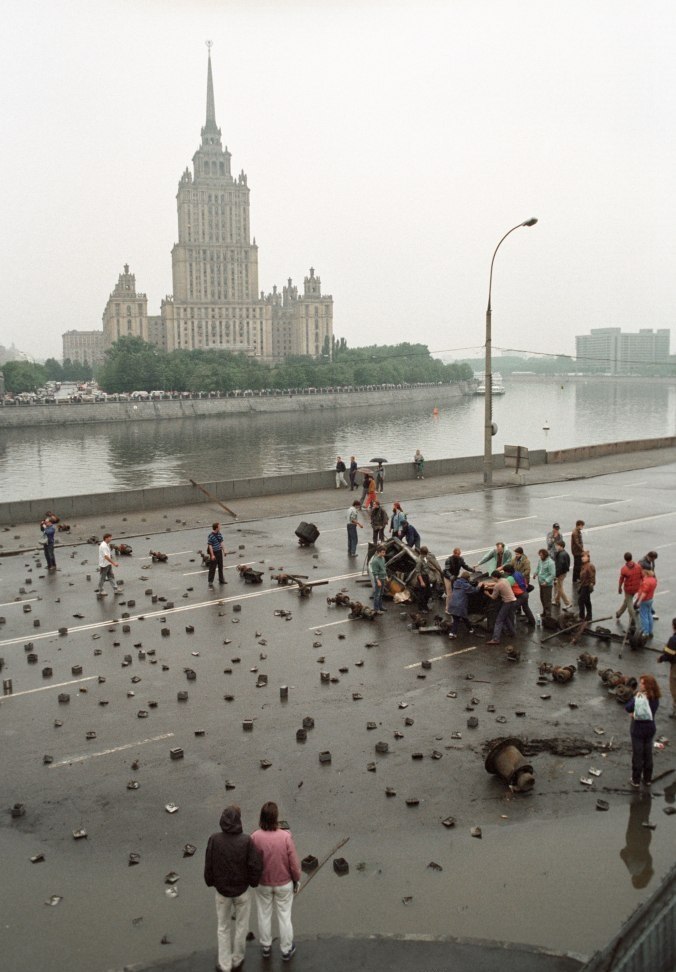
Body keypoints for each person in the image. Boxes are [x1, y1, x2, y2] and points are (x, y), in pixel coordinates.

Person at [204, 805, 263, 972]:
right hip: (242, 891)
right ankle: (238, 959)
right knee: (241, 926)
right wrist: (253, 882)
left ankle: (225, 963)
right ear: (239, 821)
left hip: (222, 892)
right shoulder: (246, 840)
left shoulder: (214, 839)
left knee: (223, 927)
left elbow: (209, 864)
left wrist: (210, 881)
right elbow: (255, 865)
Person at [251, 801, 301, 963]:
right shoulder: (286, 837)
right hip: (284, 884)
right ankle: (286, 949)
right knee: (284, 916)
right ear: (276, 818)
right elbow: (293, 864)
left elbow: (251, 861)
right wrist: (296, 880)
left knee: (264, 914)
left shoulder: (255, 837)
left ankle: (266, 946)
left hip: (262, 884)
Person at [625, 675, 660, 787]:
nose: (640, 685)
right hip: (650, 728)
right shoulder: (655, 698)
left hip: (638, 729)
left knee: (638, 755)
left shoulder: (639, 697)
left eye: (642, 683)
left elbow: (628, 707)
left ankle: (636, 780)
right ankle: (647, 779)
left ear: (647, 685)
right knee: (648, 754)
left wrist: (633, 712)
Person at [484, 571, 517, 645]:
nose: (492, 579)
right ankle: (513, 632)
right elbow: (498, 586)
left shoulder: (497, 585)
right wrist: (490, 586)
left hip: (507, 602)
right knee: (506, 618)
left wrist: (487, 593)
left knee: (499, 620)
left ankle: (496, 639)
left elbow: (493, 597)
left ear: (495, 577)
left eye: (492, 577)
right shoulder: (505, 580)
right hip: (513, 600)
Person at [446, 570, 478, 638]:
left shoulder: (455, 582)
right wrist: (479, 586)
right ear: (468, 578)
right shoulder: (466, 585)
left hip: (452, 603)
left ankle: (470, 629)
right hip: (460, 605)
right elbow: (474, 590)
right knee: (456, 620)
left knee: (464, 617)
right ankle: (452, 633)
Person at [616, 552, 642, 625]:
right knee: (627, 601)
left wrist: (619, 588)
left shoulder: (624, 569)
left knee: (630, 605)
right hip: (636, 587)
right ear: (631, 557)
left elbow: (621, 579)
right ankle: (619, 613)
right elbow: (642, 576)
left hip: (628, 589)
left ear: (625, 559)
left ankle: (633, 620)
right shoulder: (638, 566)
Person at [657, 618, 676, 719]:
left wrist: (661, 658)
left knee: (674, 689)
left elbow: (669, 654)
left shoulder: (673, 639)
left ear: (673, 626)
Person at [533, 548, 555, 617]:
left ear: (545, 555)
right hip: (541, 583)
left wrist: (546, 581)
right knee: (542, 598)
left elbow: (553, 574)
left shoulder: (551, 563)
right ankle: (545, 612)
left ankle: (548, 616)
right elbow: (538, 568)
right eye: (539, 555)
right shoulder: (540, 561)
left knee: (547, 600)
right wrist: (535, 573)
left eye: (541, 555)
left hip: (547, 585)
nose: (540, 557)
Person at [635, 569, 657, 637]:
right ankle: (650, 631)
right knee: (649, 615)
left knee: (644, 617)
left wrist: (639, 601)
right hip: (650, 599)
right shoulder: (653, 579)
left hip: (645, 600)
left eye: (642, 571)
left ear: (645, 572)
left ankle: (646, 632)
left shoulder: (646, 581)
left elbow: (644, 593)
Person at [639, 551, 659, 620]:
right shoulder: (643, 563)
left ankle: (636, 605)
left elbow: (652, 571)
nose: (653, 561)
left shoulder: (650, 561)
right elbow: (647, 572)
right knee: (647, 597)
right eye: (653, 559)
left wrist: (654, 578)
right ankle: (652, 612)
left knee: (645, 597)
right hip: (643, 581)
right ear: (650, 557)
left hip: (647, 581)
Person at [207, 522, 227, 590]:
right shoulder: (211, 535)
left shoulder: (219, 534)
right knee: (212, 568)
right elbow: (210, 546)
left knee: (220, 566)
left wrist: (224, 551)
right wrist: (212, 555)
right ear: (216, 527)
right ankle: (210, 581)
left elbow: (221, 542)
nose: (220, 527)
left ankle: (221, 580)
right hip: (214, 552)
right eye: (219, 526)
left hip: (219, 552)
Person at [577, 551, 596, 622]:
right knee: (587, 601)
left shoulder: (590, 566)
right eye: (582, 557)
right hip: (583, 585)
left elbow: (592, 576)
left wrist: (591, 584)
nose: (583, 558)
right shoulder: (584, 565)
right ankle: (589, 616)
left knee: (580, 601)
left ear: (588, 557)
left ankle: (581, 616)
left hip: (587, 586)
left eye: (584, 557)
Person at [368, 545, 388, 614]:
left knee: (381, 594)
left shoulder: (383, 558)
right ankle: (376, 609)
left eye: (384, 552)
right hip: (379, 579)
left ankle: (380, 606)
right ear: (378, 552)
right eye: (382, 552)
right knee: (377, 595)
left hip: (383, 578)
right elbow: (375, 572)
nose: (384, 554)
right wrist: (378, 581)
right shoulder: (375, 561)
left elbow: (384, 568)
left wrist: (386, 577)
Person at [553, 540, 572, 608]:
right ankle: (557, 601)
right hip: (563, 573)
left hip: (560, 574)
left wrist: (556, 575)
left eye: (557, 545)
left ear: (561, 546)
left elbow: (559, 566)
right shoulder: (564, 553)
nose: (556, 547)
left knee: (560, 588)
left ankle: (567, 603)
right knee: (559, 587)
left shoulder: (561, 555)